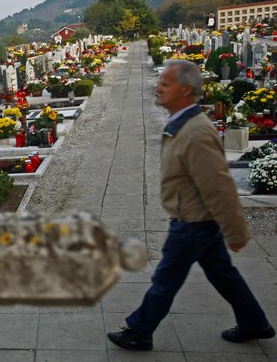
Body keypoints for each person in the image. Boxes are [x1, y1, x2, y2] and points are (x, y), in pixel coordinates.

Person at [107, 59, 274, 351]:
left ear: (185, 91)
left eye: (165, 84)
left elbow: (218, 186)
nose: (158, 88)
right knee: (223, 274)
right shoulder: (182, 123)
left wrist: (236, 232)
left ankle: (140, 331)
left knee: (166, 278)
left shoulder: (196, 132)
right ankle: (254, 322)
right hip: (196, 219)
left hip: (193, 222)